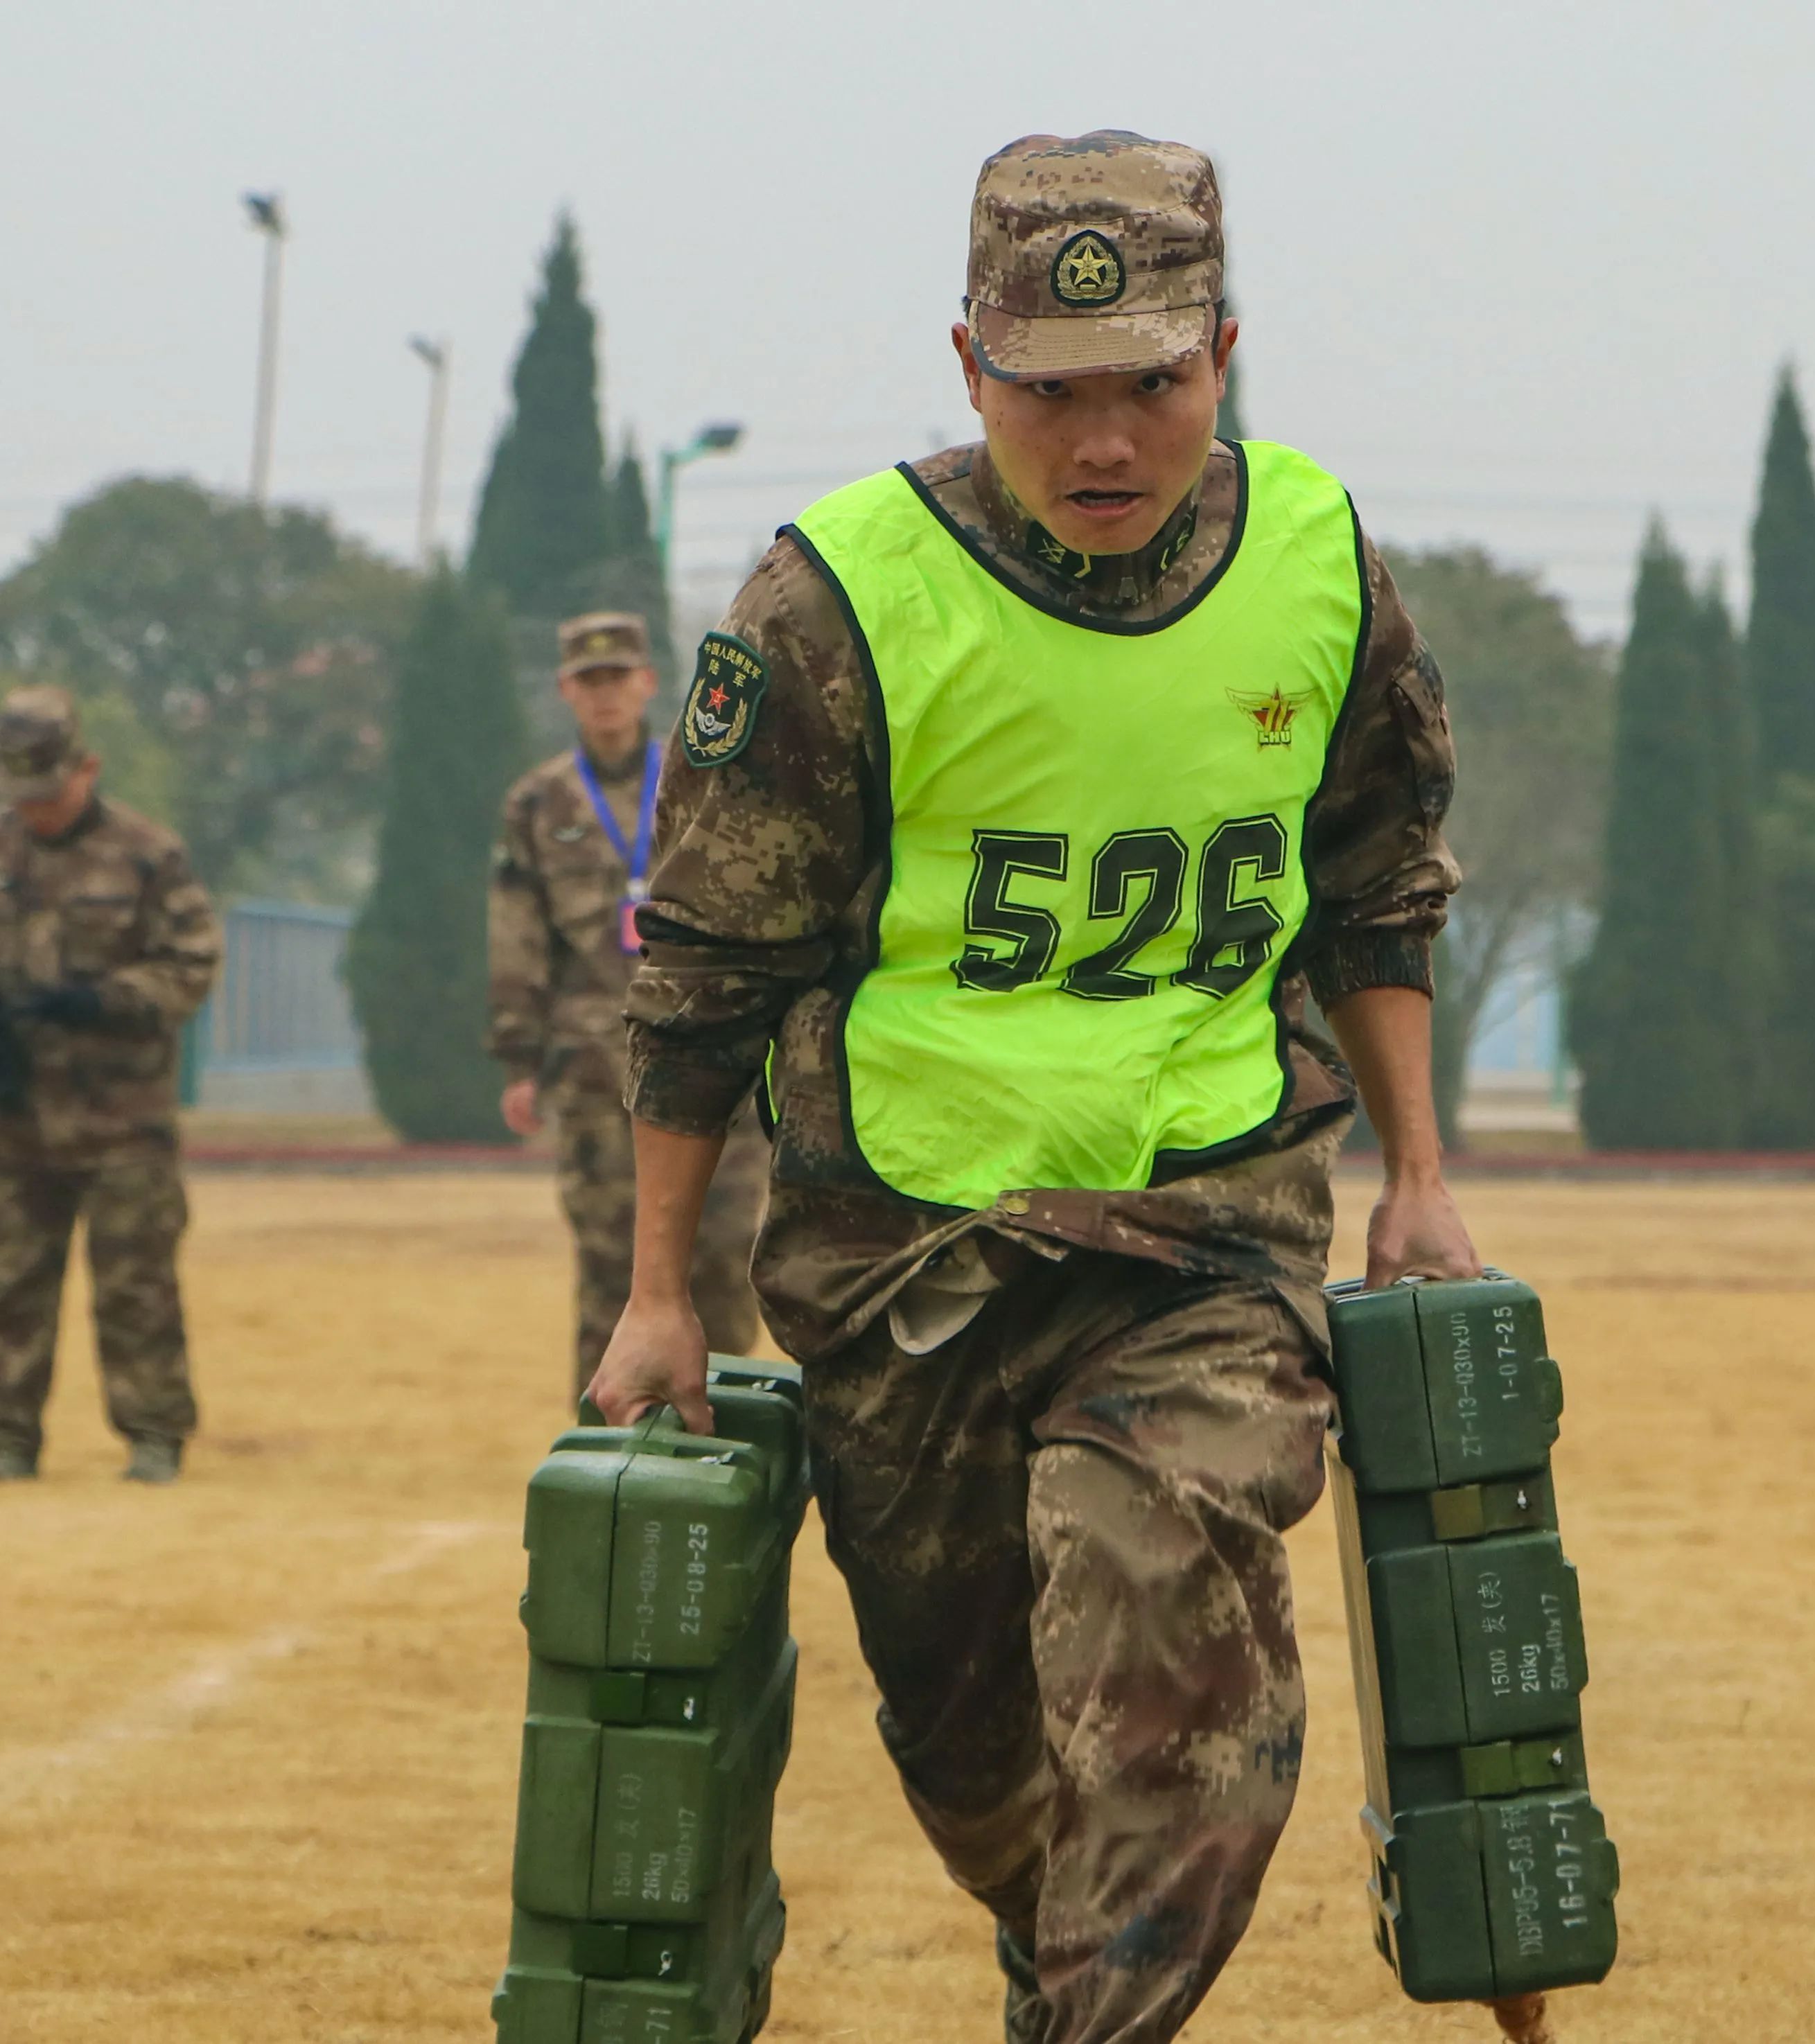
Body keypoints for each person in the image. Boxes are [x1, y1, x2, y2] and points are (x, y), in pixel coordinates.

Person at [593, 133, 1488, 2043]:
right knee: (979, 1744)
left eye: (1152, 384)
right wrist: (663, 1287)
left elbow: (1378, 880)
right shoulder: (836, 597)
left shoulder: (1322, 557)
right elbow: (708, 966)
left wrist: (1418, 1170)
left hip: (1205, 1224)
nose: (1104, 442)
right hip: (896, 1255)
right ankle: (1057, 1937)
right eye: (1048, 391)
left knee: (1164, 1630)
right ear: (966, 363)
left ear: (1226, 355)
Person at [0, 685, 221, 1484]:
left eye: (49, 793)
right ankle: (5, 1439)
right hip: (15, 1113)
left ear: (87, 768)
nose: (37, 811)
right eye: (22, 796)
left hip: (123, 1118)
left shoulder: (148, 853)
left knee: (136, 1285)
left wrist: (105, 1000)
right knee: (13, 1280)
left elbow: (191, 963)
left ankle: (153, 1436)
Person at [489, 611, 767, 1397]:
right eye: (589, 682)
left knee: (722, 1253)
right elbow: (517, 933)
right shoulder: (538, 803)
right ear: (566, 691)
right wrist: (519, 1057)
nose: (605, 696)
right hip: (593, 1067)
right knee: (610, 1261)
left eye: (618, 679)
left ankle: (719, 1426)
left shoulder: (701, 778)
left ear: (647, 683)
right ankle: (605, 1444)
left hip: (711, 1054)